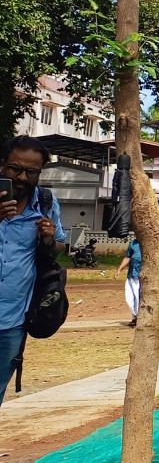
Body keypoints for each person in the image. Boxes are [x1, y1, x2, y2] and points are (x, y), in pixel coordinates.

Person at [0, 136, 67, 405]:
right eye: (15, 168)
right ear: (3, 166)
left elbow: (59, 248)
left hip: (12, 321)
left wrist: (50, 240)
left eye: (31, 171)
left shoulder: (48, 203)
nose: (22, 177)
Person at [114, 236, 142, 327]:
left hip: (142, 276)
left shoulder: (149, 243)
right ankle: (134, 317)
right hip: (132, 275)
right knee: (130, 297)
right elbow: (128, 257)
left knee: (139, 297)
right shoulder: (133, 243)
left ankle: (139, 319)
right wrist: (119, 270)